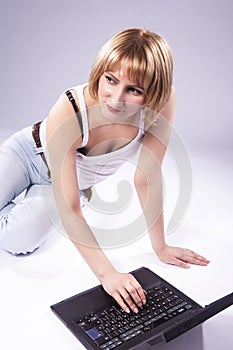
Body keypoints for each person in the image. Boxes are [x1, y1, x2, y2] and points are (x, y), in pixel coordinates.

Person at [0, 28, 209, 314]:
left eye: (134, 90)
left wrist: (161, 247)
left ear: (153, 93)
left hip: (68, 186)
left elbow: (146, 176)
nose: (115, 98)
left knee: (17, 242)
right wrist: (107, 274)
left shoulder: (164, 103)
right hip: (27, 154)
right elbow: (69, 210)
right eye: (110, 80)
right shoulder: (71, 107)